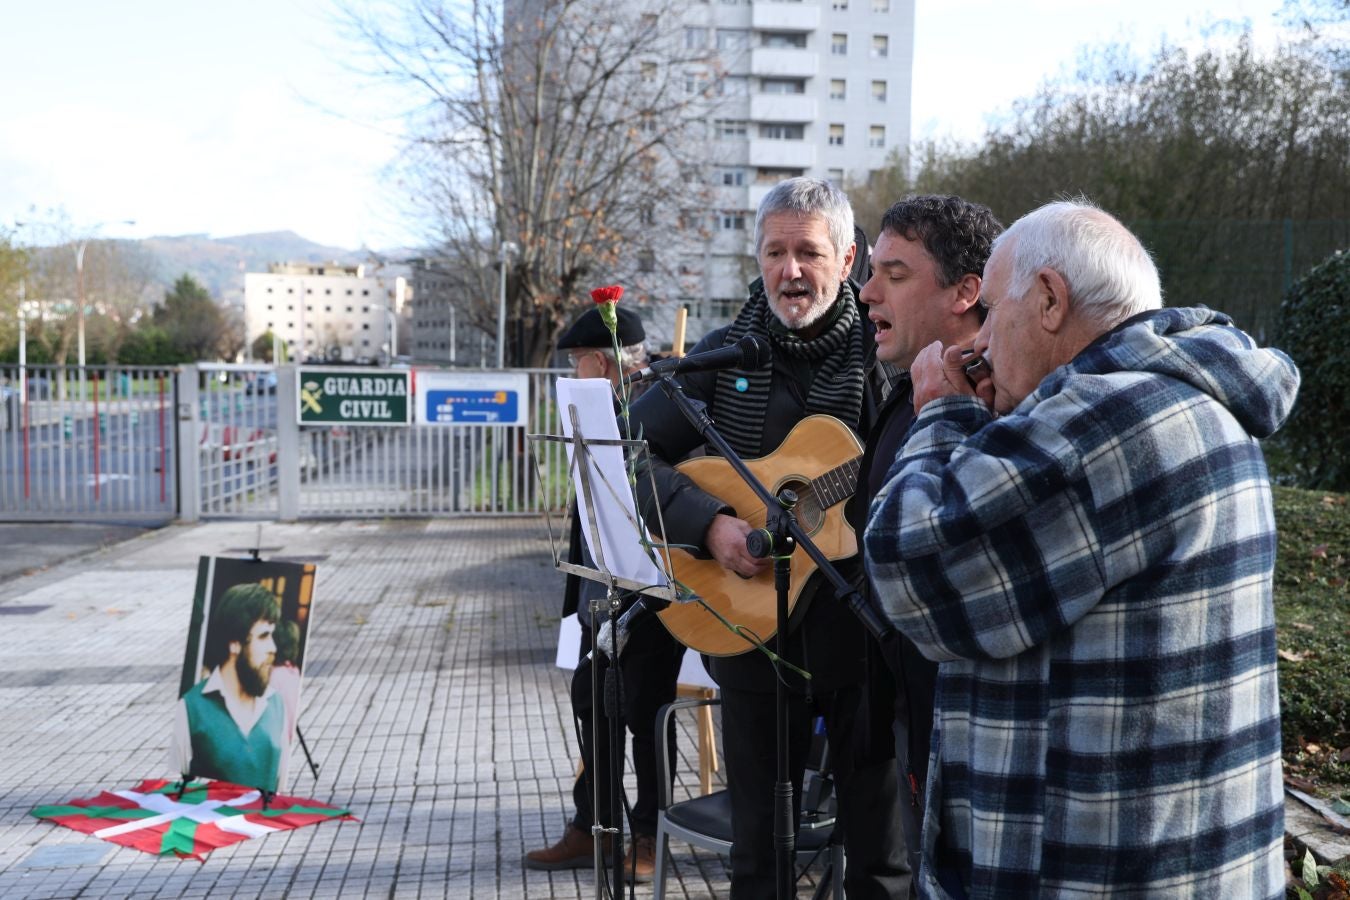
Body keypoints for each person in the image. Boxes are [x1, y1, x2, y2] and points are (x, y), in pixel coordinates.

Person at [863, 199, 1299, 899]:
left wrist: (943, 416)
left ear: (1048, 300)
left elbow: (909, 569)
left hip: (1091, 873)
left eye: (994, 315)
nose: (979, 346)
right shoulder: (1188, 396)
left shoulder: (1105, 421)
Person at [627, 177, 909, 899]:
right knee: (757, 856)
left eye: (810, 253)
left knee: (882, 855)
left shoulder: (892, 363)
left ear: (848, 262)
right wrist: (708, 523)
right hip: (749, 635)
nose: (791, 271)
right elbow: (628, 451)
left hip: (864, 639)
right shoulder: (723, 357)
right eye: (775, 252)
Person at [848, 195, 1002, 888]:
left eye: (895, 274)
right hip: (908, 710)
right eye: (871, 272)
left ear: (967, 291)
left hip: (966, 729)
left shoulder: (1000, 406)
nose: (867, 291)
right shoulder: (911, 386)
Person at [525, 303, 686, 883]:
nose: (572, 374)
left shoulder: (663, 409)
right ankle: (590, 821)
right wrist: (576, 612)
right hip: (601, 591)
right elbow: (583, 523)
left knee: (646, 712)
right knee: (590, 697)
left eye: (576, 363)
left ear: (601, 362)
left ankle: (650, 833)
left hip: (653, 590)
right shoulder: (593, 417)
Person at [171, 583, 288, 793]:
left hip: (264, 823)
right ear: (234, 644)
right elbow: (177, 787)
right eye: (263, 636)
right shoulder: (191, 707)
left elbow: (280, 786)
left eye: (272, 635)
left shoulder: (276, 704)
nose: (273, 648)